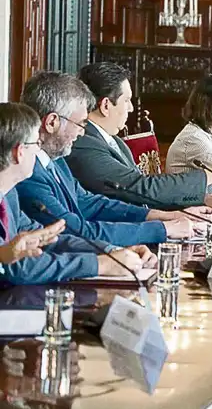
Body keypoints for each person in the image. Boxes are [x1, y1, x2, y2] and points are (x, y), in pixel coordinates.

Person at [16, 72, 196, 246]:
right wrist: (161, 229)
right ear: (52, 123)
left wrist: (161, 216)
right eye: (80, 124)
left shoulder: (56, 160)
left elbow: (90, 203)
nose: (82, 132)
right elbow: (77, 231)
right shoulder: (29, 173)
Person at [0, 103, 154, 285]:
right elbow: (15, 268)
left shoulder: (9, 196)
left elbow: (48, 240)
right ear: (20, 153)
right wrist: (100, 264)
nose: (39, 150)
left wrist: (111, 251)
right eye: (37, 144)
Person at [66, 62, 212, 210]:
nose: (131, 108)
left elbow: (146, 193)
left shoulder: (114, 141)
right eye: (127, 100)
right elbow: (141, 188)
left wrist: (200, 199)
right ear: (106, 105)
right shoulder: (83, 143)